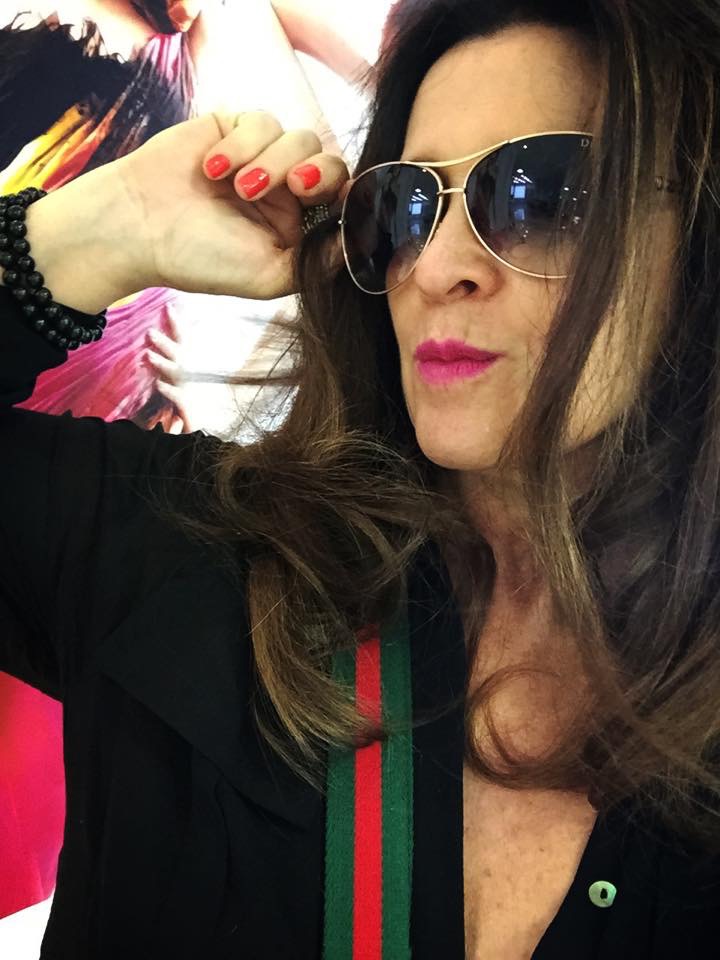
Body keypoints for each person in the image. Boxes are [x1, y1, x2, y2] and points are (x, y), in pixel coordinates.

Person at [1, 1, 719, 958]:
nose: (436, 267)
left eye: (545, 196)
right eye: (408, 208)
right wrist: (94, 237)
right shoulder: (193, 558)